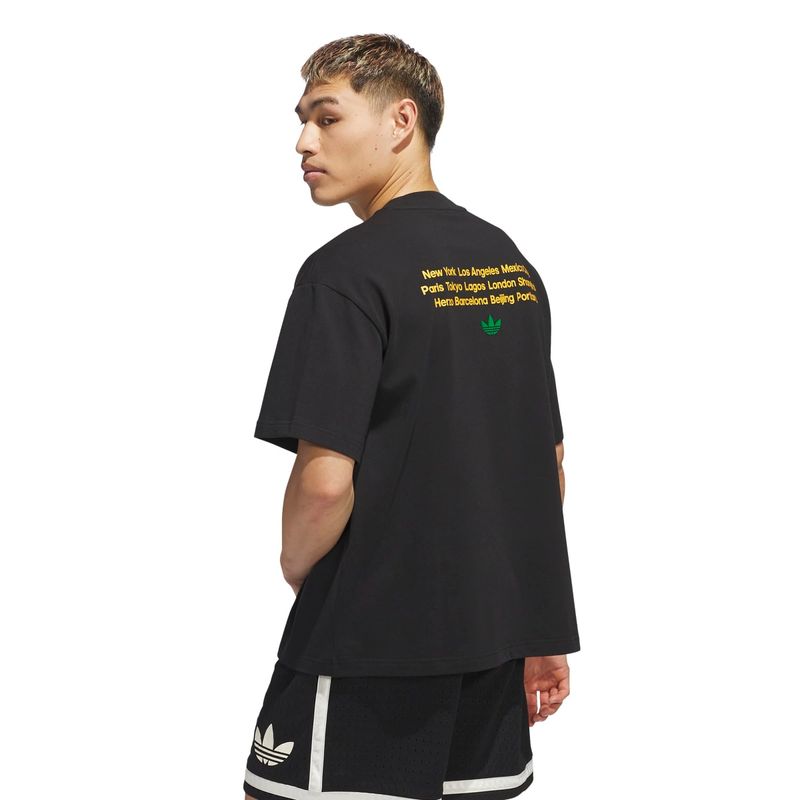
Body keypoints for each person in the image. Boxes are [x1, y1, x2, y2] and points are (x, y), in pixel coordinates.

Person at [243, 33, 580, 800]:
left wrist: (298, 566)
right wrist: (535, 630)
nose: (303, 142)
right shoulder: (509, 265)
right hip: (494, 652)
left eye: (327, 117)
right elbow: (547, 470)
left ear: (402, 120)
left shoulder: (344, 274)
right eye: (302, 121)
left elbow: (325, 483)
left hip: (366, 647)